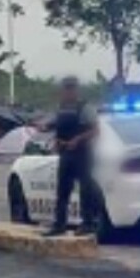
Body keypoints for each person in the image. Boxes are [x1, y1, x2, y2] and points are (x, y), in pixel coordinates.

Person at [44, 77, 100, 237]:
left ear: (76, 90)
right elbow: (56, 125)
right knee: (62, 190)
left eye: (71, 88)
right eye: (66, 88)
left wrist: (77, 140)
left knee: (85, 189)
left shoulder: (85, 107)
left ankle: (88, 223)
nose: (68, 92)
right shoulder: (61, 107)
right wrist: (46, 129)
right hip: (65, 153)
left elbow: (95, 130)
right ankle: (59, 224)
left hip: (82, 153)